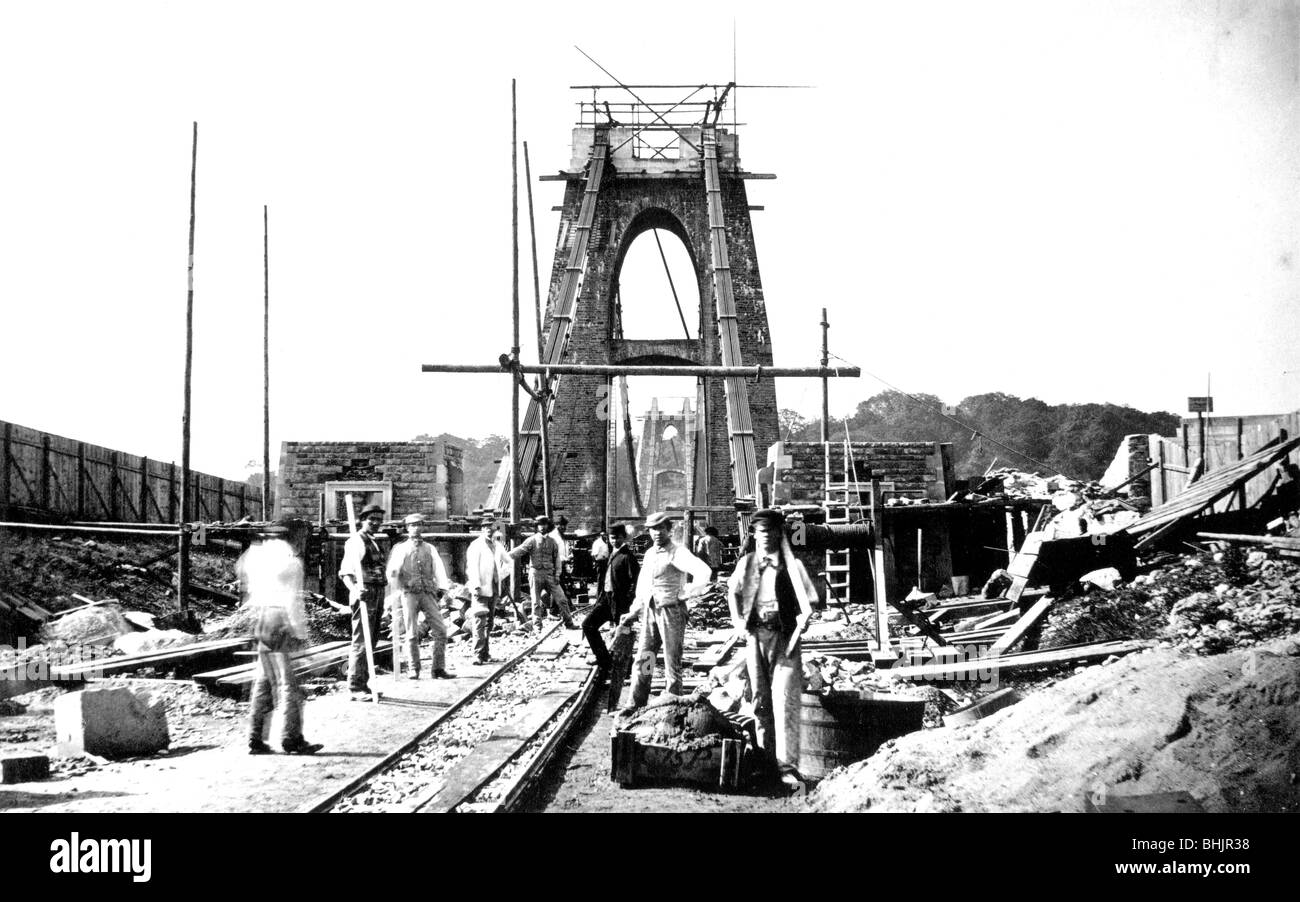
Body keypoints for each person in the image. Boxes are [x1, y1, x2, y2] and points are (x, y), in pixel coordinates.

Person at [726, 509, 814, 791]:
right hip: (755, 637)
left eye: (769, 532)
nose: (764, 537)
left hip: (785, 639)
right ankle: (765, 764)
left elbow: (809, 600)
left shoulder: (793, 566)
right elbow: (732, 591)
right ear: (754, 534)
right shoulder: (748, 563)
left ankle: (786, 768)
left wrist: (805, 618)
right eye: (759, 532)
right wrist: (737, 622)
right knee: (761, 702)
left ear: (778, 534)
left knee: (785, 700)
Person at [240, 523, 322, 755]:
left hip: (263, 620)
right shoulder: (290, 561)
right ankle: (291, 738)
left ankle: (255, 738)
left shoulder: (256, 557)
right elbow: (291, 600)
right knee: (288, 686)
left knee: (263, 682)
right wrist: (300, 632)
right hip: (280, 621)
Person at [619, 511, 712, 705]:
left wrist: (685, 593)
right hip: (652, 611)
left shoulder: (678, 552)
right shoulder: (650, 554)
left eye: (661, 529)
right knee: (646, 657)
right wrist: (634, 610)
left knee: (672, 662)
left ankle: (672, 706)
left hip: (672, 612)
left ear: (669, 530)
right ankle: (636, 703)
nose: (657, 533)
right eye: (653, 529)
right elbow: (643, 586)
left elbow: (704, 572)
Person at [386, 513, 453, 679]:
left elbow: (439, 569)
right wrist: (395, 579)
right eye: (412, 525)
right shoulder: (401, 549)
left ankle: (438, 669)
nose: (415, 528)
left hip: (428, 593)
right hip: (409, 594)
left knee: (441, 630)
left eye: (418, 524)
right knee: (411, 632)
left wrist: (442, 588)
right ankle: (413, 668)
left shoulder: (430, 548)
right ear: (407, 528)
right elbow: (392, 572)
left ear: (423, 526)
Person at [338, 503, 389, 700]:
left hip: (377, 592)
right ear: (362, 520)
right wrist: (355, 590)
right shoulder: (356, 541)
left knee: (372, 639)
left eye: (378, 520)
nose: (376, 523)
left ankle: (364, 683)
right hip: (364, 594)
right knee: (361, 640)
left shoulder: (373, 541)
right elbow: (346, 573)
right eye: (371, 520)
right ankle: (354, 687)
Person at [581, 524, 639, 677]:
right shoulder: (612, 553)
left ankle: (626, 670)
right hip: (607, 599)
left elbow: (636, 582)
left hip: (620, 601)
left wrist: (629, 602)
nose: (615, 540)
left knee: (623, 634)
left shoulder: (628, 557)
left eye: (618, 538)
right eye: (612, 538)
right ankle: (604, 660)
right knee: (588, 625)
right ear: (608, 538)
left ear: (624, 538)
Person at [509, 515, 575, 629]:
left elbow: (557, 559)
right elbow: (519, 551)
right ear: (537, 526)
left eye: (544, 524)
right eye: (540, 524)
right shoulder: (532, 540)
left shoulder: (553, 541)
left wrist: (558, 574)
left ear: (548, 525)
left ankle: (569, 622)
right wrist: (503, 556)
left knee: (562, 599)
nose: (542, 527)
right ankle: (537, 626)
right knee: (536, 602)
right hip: (535, 574)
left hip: (550, 575)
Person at [464, 517, 507, 664]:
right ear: (482, 529)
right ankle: (477, 653)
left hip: (494, 588)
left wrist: (500, 575)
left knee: (489, 622)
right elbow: (471, 568)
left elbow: (510, 562)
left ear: (495, 529)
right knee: (479, 621)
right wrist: (475, 585)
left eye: (491, 526)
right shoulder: (476, 545)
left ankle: (485, 654)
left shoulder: (498, 545)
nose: (489, 529)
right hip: (480, 588)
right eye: (486, 527)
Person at [589, 529, 611, 599]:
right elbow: (594, 555)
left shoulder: (607, 542)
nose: (605, 537)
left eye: (606, 535)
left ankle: (604, 596)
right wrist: (598, 562)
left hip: (607, 562)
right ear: (601, 535)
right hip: (600, 563)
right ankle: (599, 597)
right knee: (601, 581)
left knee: (606, 580)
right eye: (604, 535)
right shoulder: (597, 543)